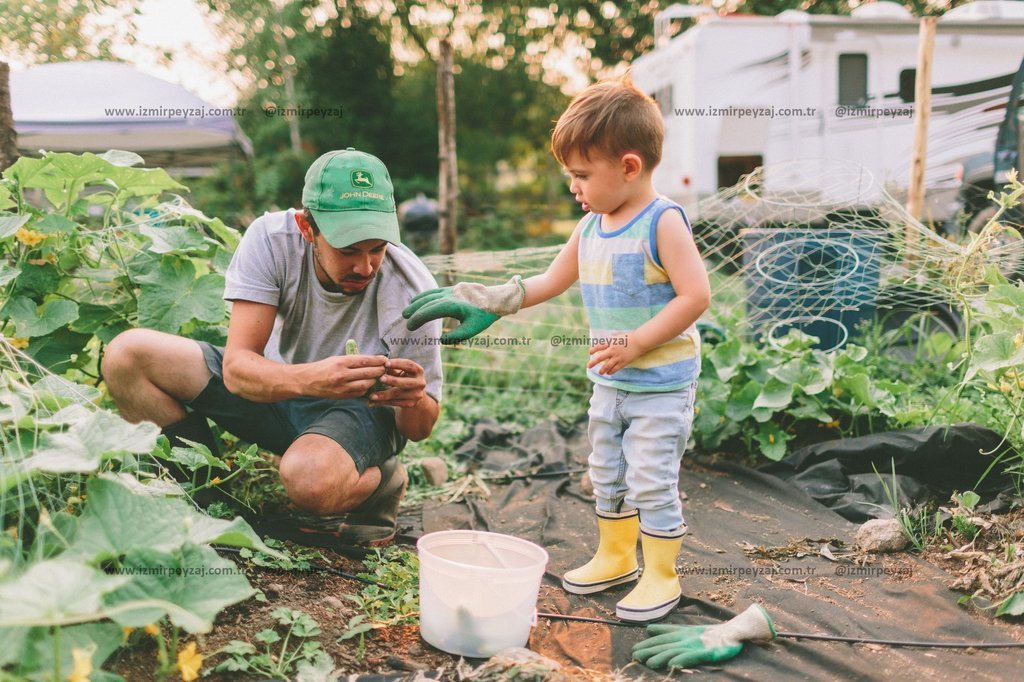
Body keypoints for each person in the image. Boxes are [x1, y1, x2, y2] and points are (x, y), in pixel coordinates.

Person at [404, 77, 710, 621]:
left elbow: (696, 296)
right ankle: (617, 556)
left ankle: (662, 573)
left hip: (660, 384)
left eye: (581, 175)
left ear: (630, 167)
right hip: (610, 384)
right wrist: (492, 299)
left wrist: (637, 342)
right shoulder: (591, 226)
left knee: (651, 477)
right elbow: (549, 280)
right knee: (607, 469)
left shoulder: (663, 222)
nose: (573, 186)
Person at [102, 148, 443, 548]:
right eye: (348, 250)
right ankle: (208, 498)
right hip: (275, 388)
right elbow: (237, 369)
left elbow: (419, 430)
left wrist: (414, 399)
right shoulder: (270, 240)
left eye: (377, 249)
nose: (365, 267)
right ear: (306, 228)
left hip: (356, 413)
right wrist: (313, 379)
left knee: (310, 482)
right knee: (128, 355)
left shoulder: (414, 290)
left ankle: (382, 482)